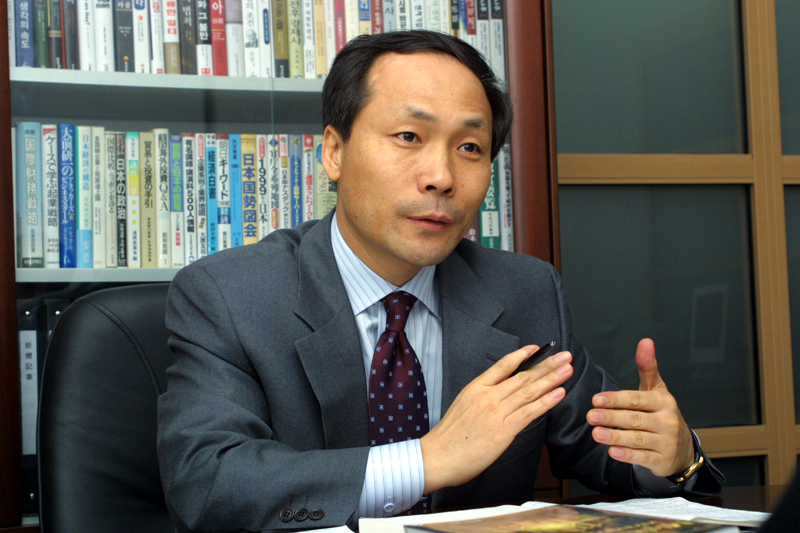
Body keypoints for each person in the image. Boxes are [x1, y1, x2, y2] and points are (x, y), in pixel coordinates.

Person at [157, 30, 723, 533]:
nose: (441, 177)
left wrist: (672, 456)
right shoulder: (230, 295)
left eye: (469, 147)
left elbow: (604, 453)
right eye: (409, 136)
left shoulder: (524, 291)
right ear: (334, 152)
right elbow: (208, 482)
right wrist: (426, 460)